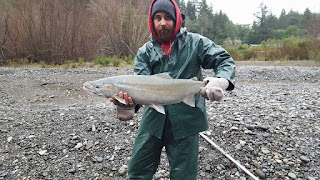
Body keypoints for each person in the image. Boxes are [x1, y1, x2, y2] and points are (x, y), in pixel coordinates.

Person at [109, 0, 236, 179]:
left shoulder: (196, 43)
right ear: (151, 22)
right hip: (153, 119)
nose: (162, 22)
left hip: (187, 120)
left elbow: (224, 60)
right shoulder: (144, 53)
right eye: (158, 18)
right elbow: (139, 88)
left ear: (177, 19)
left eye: (168, 17)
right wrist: (128, 106)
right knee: (137, 170)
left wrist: (221, 80)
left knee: (184, 175)